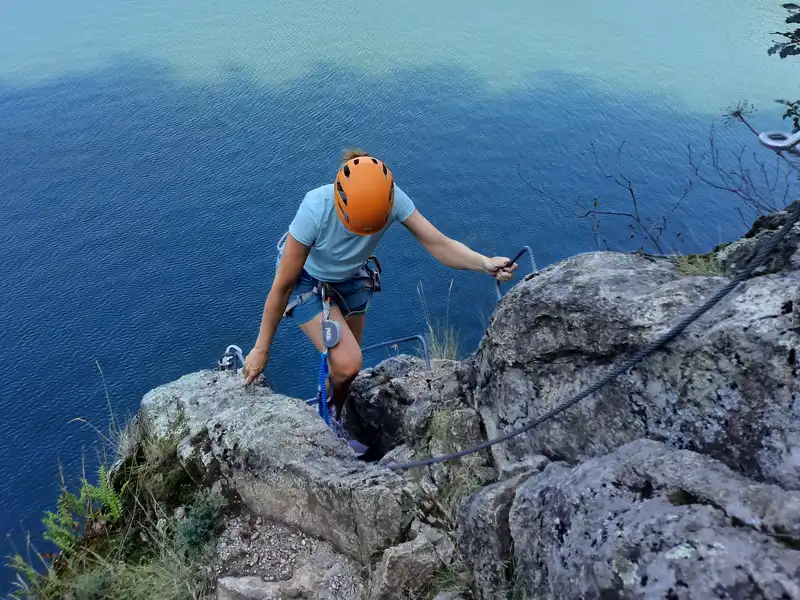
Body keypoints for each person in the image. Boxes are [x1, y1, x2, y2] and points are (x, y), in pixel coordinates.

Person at [242, 148, 518, 425]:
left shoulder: (393, 199)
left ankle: (334, 415)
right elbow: (283, 285)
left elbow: (439, 243)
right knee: (349, 362)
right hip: (306, 280)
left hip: (351, 276)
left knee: (346, 370)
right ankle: (328, 421)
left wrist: (484, 263)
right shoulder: (315, 208)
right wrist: (261, 349)